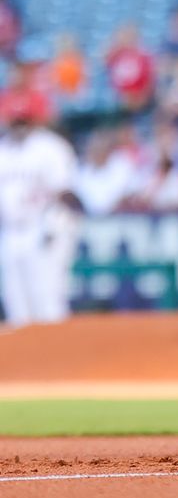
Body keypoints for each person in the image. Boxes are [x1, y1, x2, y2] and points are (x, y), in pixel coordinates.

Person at [0, 95, 81, 327]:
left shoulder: (50, 148)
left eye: (24, 120)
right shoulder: (3, 150)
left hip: (44, 226)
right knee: (15, 301)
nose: (19, 125)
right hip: (10, 230)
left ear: (35, 120)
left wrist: (59, 228)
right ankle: (27, 360)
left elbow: (65, 192)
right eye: (15, 120)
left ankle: (58, 356)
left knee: (47, 297)